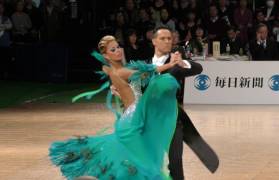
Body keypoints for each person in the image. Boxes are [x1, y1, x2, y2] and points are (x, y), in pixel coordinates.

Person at [49, 35, 185, 179]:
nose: (118, 50)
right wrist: (170, 64)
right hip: (134, 119)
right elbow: (149, 72)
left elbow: (129, 89)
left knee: (135, 159)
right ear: (106, 55)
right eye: (113, 49)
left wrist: (121, 92)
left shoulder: (115, 70)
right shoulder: (120, 71)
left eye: (118, 47)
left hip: (132, 116)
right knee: (143, 162)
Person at [149, 26, 219, 180]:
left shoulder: (175, 61)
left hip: (172, 119)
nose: (167, 41)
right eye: (163, 38)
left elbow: (198, 68)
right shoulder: (145, 64)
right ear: (154, 41)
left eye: (169, 38)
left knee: (175, 162)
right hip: (149, 120)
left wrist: (183, 63)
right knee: (149, 161)